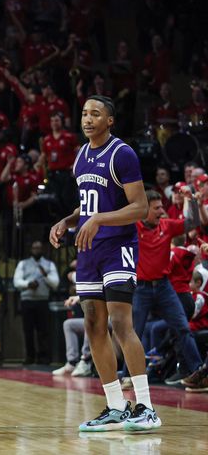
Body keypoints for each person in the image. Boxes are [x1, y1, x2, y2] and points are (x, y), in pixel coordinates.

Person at [49, 95, 160, 431]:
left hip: (118, 246)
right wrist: (67, 221)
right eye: (84, 113)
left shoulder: (121, 153)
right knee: (94, 323)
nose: (87, 119)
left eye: (95, 114)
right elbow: (87, 207)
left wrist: (98, 219)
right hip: (88, 249)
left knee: (120, 323)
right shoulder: (81, 155)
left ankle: (145, 406)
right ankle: (115, 406)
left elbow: (140, 207)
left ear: (109, 120)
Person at [132, 190, 203, 385]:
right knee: (133, 334)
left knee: (182, 328)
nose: (162, 211)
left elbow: (192, 224)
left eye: (162, 206)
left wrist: (193, 202)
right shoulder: (133, 227)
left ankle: (198, 372)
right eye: (157, 208)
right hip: (141, 289)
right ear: (144, 210)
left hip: (164, 287)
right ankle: (128, 375)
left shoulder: (167, 226)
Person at [13, 241, 60, 364]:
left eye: (39, 248)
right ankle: (30, 357)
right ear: (31, 249)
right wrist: (28, 284)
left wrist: (45, 276)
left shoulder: (49, 265)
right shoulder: (23, 264)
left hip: (42, 301)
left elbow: (55, 283)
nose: (36, 250)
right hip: (27, 301)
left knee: (43, 331)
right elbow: (17, 281)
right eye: (34, 248)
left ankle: (44, 358)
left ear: (43, 249)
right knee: (28, 330)